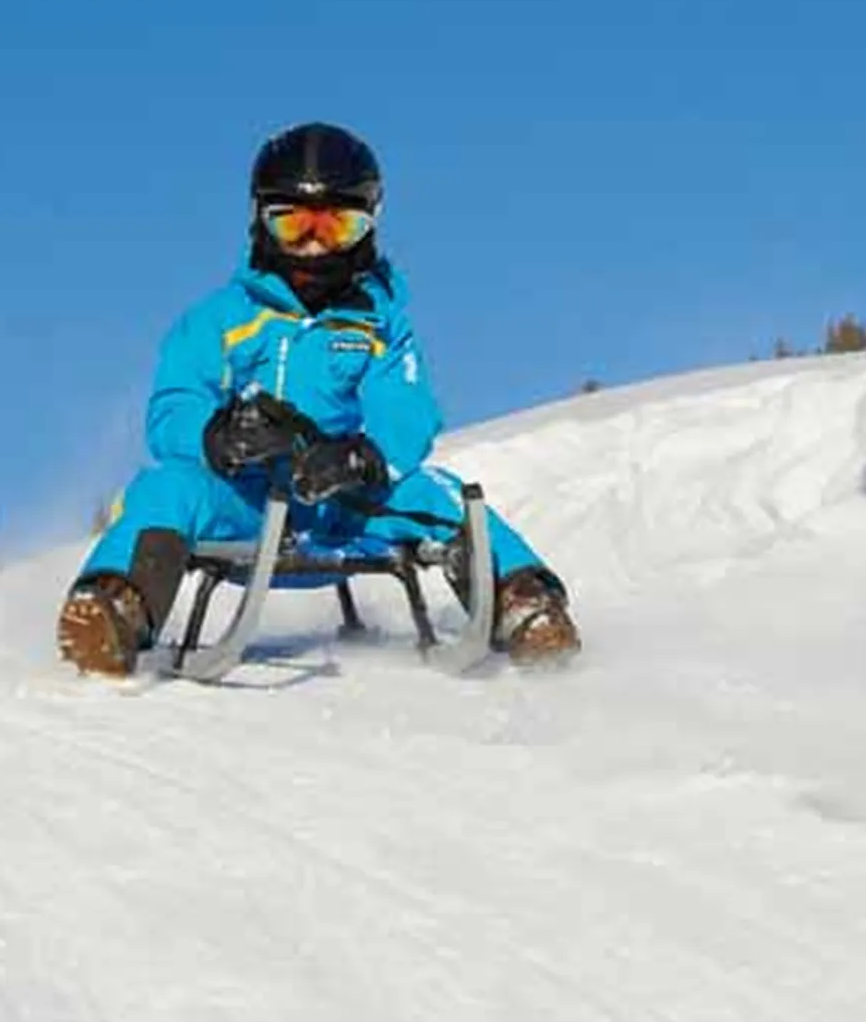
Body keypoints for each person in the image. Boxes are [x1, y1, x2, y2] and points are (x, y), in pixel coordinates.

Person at [56, 122, 581, 676]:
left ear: (369, 225)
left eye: (335, 226)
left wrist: (364, 457)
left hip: (344, 511)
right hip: (242, 506)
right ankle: (115, 608)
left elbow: (407, 406)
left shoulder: (379, 325)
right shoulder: (218, 321)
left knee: (440, 493)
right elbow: (173, 407)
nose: (312, 245)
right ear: (261, 220)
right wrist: (218, 437)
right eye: (293, 224)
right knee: (165, 489)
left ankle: (525, 603)